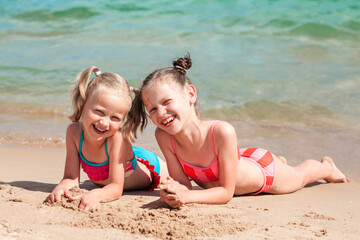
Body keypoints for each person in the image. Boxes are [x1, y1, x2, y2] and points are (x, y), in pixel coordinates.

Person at [125, 54, 348, 208]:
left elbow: (225, 193)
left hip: (265, 173)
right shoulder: (164, 137)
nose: (161, 112)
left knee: (300, 177)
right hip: (240, 160)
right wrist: (174, 191)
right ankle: (283, 162)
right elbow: (183, 183)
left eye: (166, 102)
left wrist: (189, 197)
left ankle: (326, 168)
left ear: (190, 94)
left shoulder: (221, 132)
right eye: (152, 109)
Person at [46, 66, 168, 210]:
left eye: (115, 118)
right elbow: (71, 178)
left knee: (184, 177)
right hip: (124, 155)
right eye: (99, 111)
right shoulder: (74, 133)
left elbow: (116, 188)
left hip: (151, 168)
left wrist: (96, 195)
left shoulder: (116, 138)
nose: (104, 122)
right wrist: (62, 187)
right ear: (84, 103)